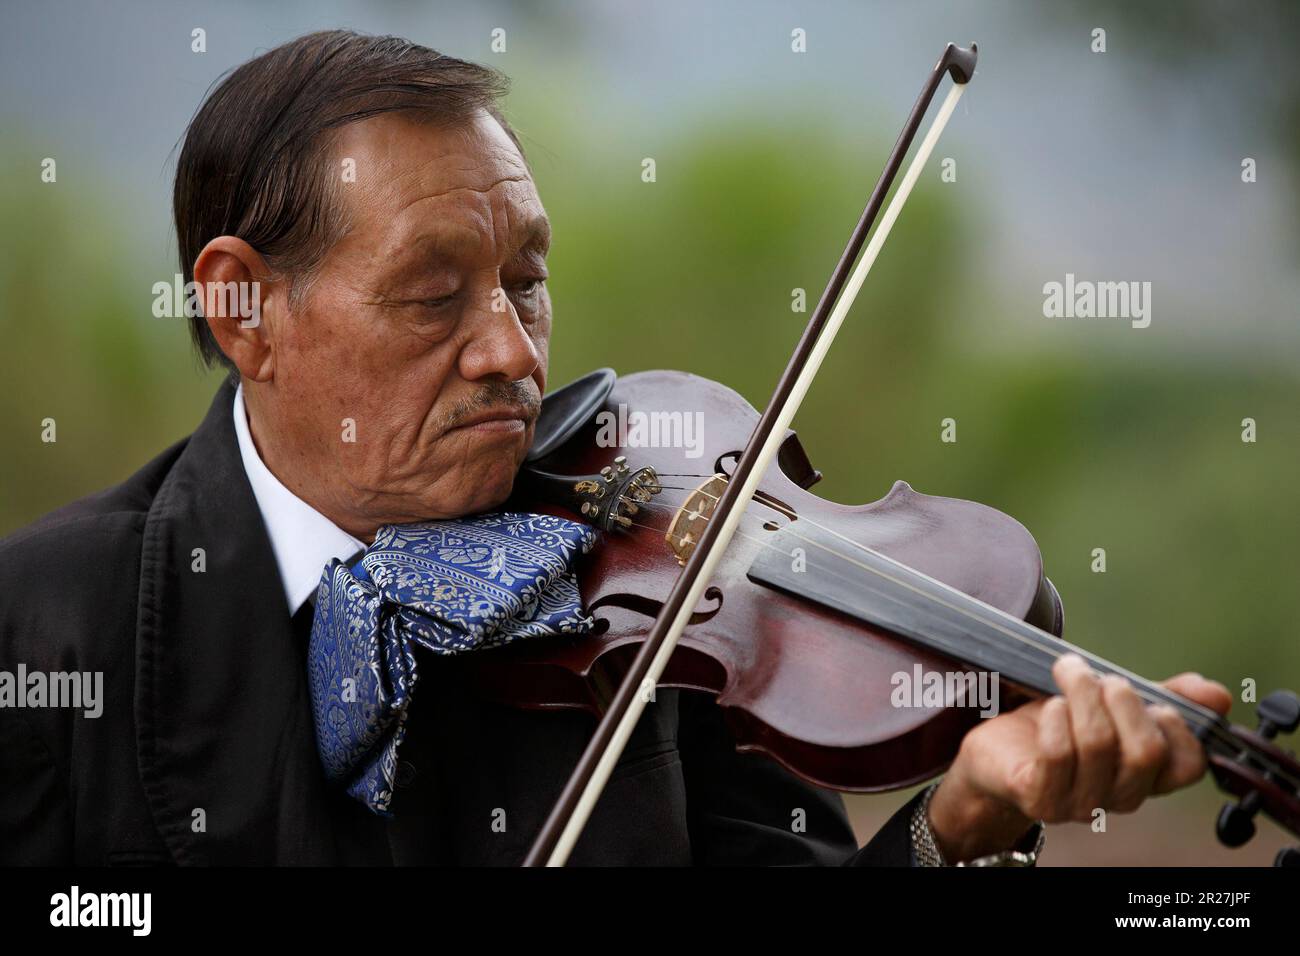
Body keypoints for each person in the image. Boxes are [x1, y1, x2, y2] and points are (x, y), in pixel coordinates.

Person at [0, 30, 1231, 866]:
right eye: (434, 296)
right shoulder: (51, 628)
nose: (511, 353)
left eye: (525, 283)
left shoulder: (649, 618)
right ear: (242, 308)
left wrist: (961, 821)